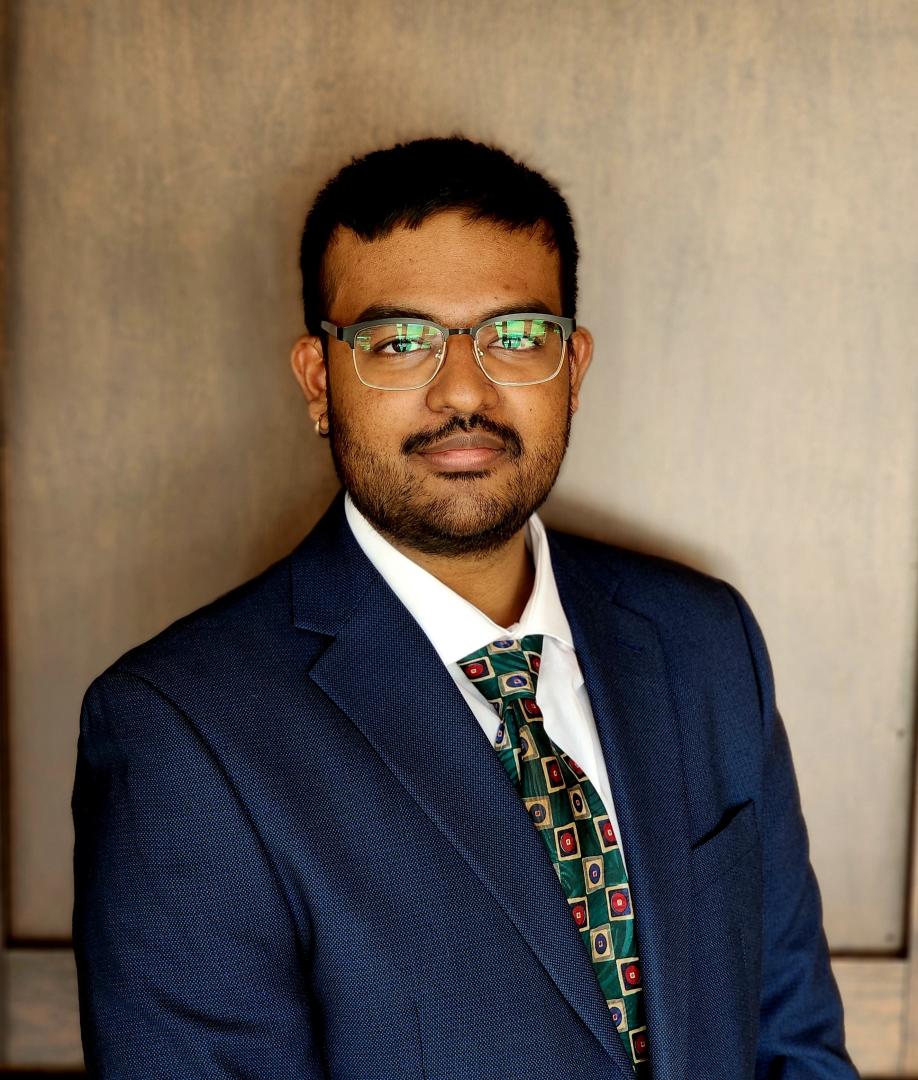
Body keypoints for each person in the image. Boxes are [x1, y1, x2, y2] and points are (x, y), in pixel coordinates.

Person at [72, 136, 858, 1079]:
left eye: (515, 336)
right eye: (399, 341)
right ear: (321, 382)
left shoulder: (703, 640)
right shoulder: (180, 732)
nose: (462, 393)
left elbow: (793, 1044)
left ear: (574, 365)